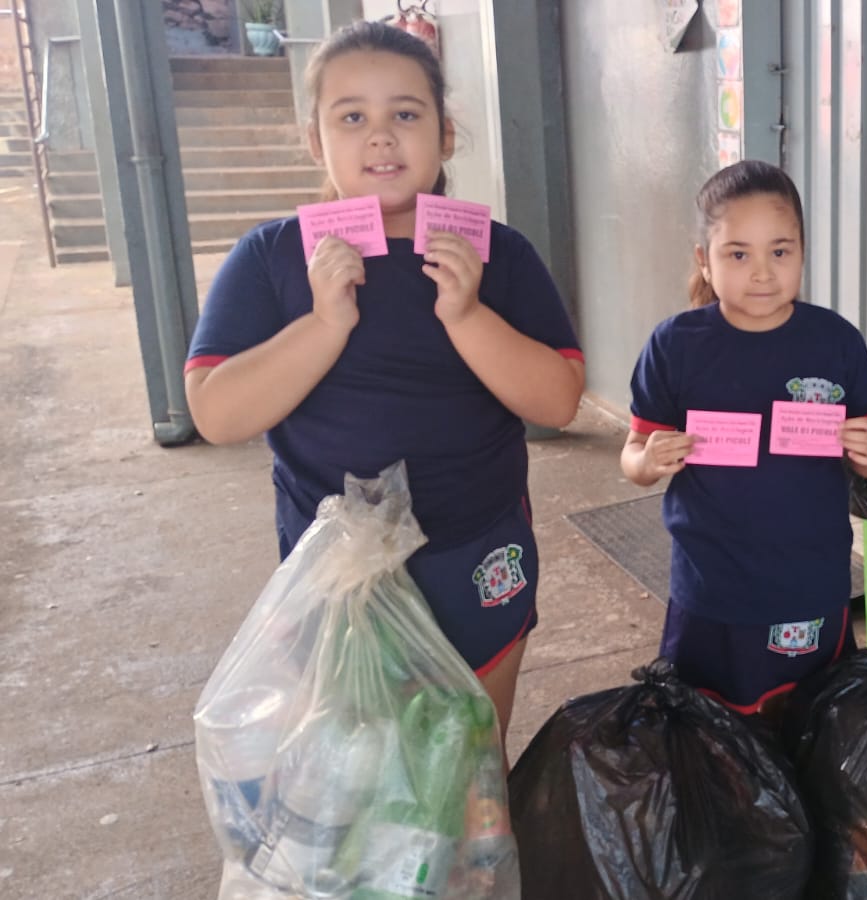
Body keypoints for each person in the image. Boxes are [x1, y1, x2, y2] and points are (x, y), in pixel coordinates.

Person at [184, 21, 584, 743]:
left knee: (470, 765)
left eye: (405, 113)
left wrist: (465, 315)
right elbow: (217, 412)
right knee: (357, 772)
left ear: (445, 135)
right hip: (337, 578)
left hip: (478, 552)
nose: (380, 137)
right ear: (316, 140)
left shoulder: (499, 254)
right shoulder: (272, 258)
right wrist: (323, 325)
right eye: (352, 117)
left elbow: (557, 398)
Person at [620, 160, 867, 716]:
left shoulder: (835, 342)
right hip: (710, 586)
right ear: (705, 258)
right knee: (711, 734)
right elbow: (632, 454)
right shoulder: (675, 346)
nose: (763, 273)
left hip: (809, 583)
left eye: (781, 251)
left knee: (808, 726)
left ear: (801, 252)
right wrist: (648, 461)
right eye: (738, 254)